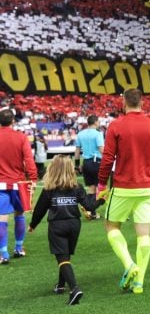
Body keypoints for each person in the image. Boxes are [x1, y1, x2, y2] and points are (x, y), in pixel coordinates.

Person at [97, 88, 150, 294]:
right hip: (147, 188)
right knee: (143, 234)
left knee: (111, 226)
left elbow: (108, 158)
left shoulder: (116, 125)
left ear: (123, 103)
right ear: (141, 103)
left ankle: (129, 265)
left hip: (123, 187)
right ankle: (139, 282)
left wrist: (101, 184)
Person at [28, 155, 106, 305]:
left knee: (62, 258)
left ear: (53, 169)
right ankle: (60, 285)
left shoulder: (49, 189)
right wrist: (101, 200)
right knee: (65, 256)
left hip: (57, 226)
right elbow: (89, 207)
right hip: (74, 225)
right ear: (71, 169)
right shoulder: (77, 187)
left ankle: (74, 289)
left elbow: (39, 210)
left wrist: (33, 224)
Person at [0, 109, 37, 264]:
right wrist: (33, 178)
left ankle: (3, 254)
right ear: (13, 121)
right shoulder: (21, 137)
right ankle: (19, 248)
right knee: (19, 215)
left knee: (2, 218)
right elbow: (28, 160)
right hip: (18, 183)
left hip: (1, 184)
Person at [74, 115, 104, 220]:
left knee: (92, 188)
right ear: (95, 122)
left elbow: (77, 151)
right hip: (97, 162)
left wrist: (77, 165)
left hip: (86, 163)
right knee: (102, 189)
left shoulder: (80, 134)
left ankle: (92, 213)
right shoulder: (98, 134)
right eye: (98, 121)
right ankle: (89, 208)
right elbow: (101, 150)